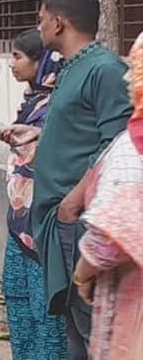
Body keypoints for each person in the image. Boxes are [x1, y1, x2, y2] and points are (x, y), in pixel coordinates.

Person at [3, 0, 132, 359]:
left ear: (59, 22)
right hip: (56, 218)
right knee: (74, 325)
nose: (40, 28)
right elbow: (81, 130)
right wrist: (41, 134)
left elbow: (115, 147)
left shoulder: (104, 70)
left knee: (92, 328)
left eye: (42, 20)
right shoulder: (72, 68)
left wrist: (73, 200)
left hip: (77, 219)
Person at [0, 29, 68, 359]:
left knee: (46, 311)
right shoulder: (33, 102)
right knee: (17, 297)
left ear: (42, 63)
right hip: (20, 225)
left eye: (18, 56)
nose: (11, 63)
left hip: (44, 228)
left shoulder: (60, 106)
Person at [72, 31, 143, 360]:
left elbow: (113, 234)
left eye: (137, 66)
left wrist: (83, 272)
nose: (128, 75)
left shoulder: (135, 147)